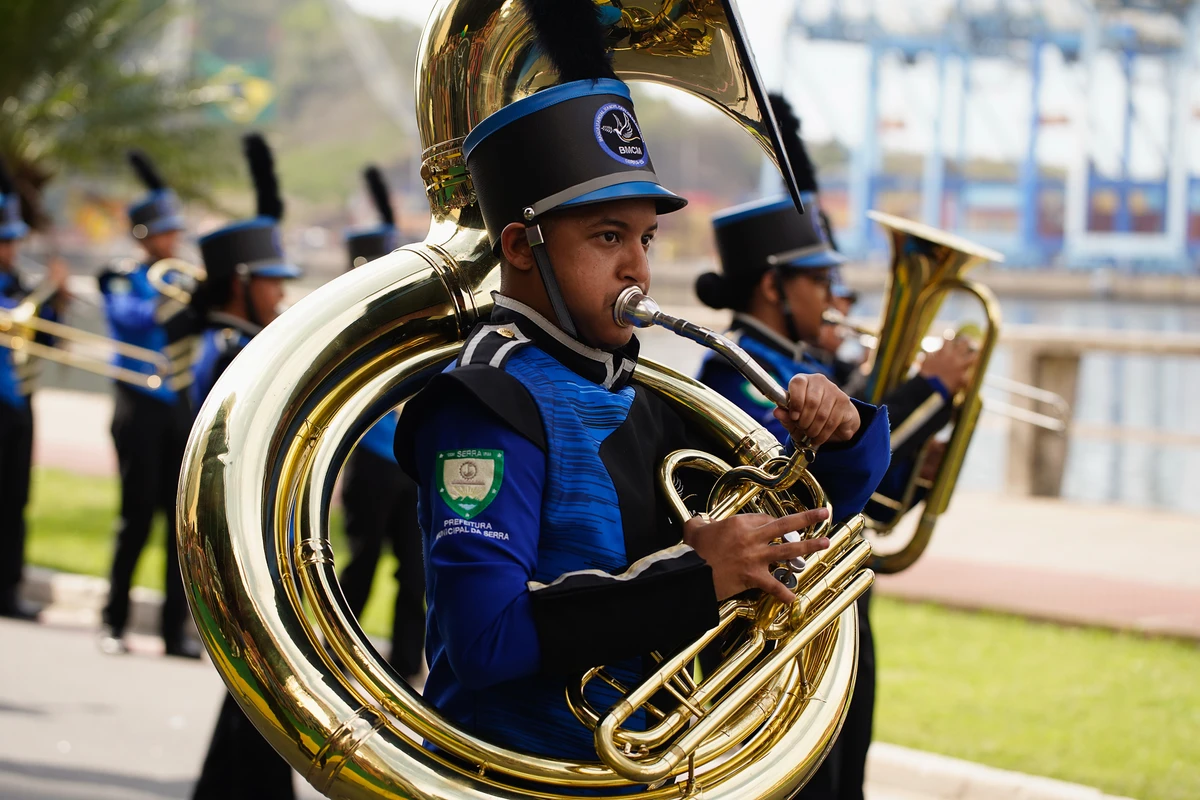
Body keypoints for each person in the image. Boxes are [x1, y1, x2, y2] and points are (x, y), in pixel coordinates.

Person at [391, 68, 891, 765]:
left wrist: (843, 437)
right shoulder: (486, 402)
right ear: (517, 247)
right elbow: (485, 641)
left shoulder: (644, 391)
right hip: (516, 776)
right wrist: (698, 578)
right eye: (607, 237)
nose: (639, 269)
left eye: (646, 239)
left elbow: (791, 513)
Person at [190, 133, 302, 800]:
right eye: (271, 283)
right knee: (262, 688)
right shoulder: (229, 352)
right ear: (241, 283)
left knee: (255, 693)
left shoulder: (240, 346)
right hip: (236, 545)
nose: (282, 297)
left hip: (252, 538)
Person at [97, 151, 199, 658]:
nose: (171, 242)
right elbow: (134, 319)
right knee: (134, 518)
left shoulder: (182, 281)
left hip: (178, 406)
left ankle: (172, 631)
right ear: (141, 237)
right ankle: (113, 621)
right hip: (136, 406)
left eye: (174, 232)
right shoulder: (118, 275)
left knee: (178, 526)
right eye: (162, 233)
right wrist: (180, 295)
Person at [339, 165, 425, 681]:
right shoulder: (350, 328)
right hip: (372, 460)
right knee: (361, 563)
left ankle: (405, 666)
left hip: (409, 462)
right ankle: (336, 653)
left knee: (415, 574)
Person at [0, 156, 68, 620]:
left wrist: (53, 301)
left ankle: (7, 588)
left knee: (14, 501)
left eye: (13, 240)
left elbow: (46, 340)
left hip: (18, 405)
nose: (10, 249)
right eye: (5, 241)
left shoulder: (20, 285)